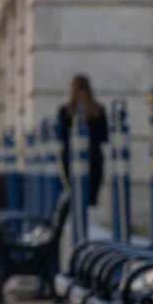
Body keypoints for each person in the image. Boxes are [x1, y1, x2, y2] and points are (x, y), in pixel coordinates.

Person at [57, 75, 110, 216]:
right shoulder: (98, 110)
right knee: (91, 201)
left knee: (73, 197)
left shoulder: (65, 111)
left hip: (71, 159)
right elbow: (105, 137)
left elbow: (61, 137)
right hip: (94, 159)